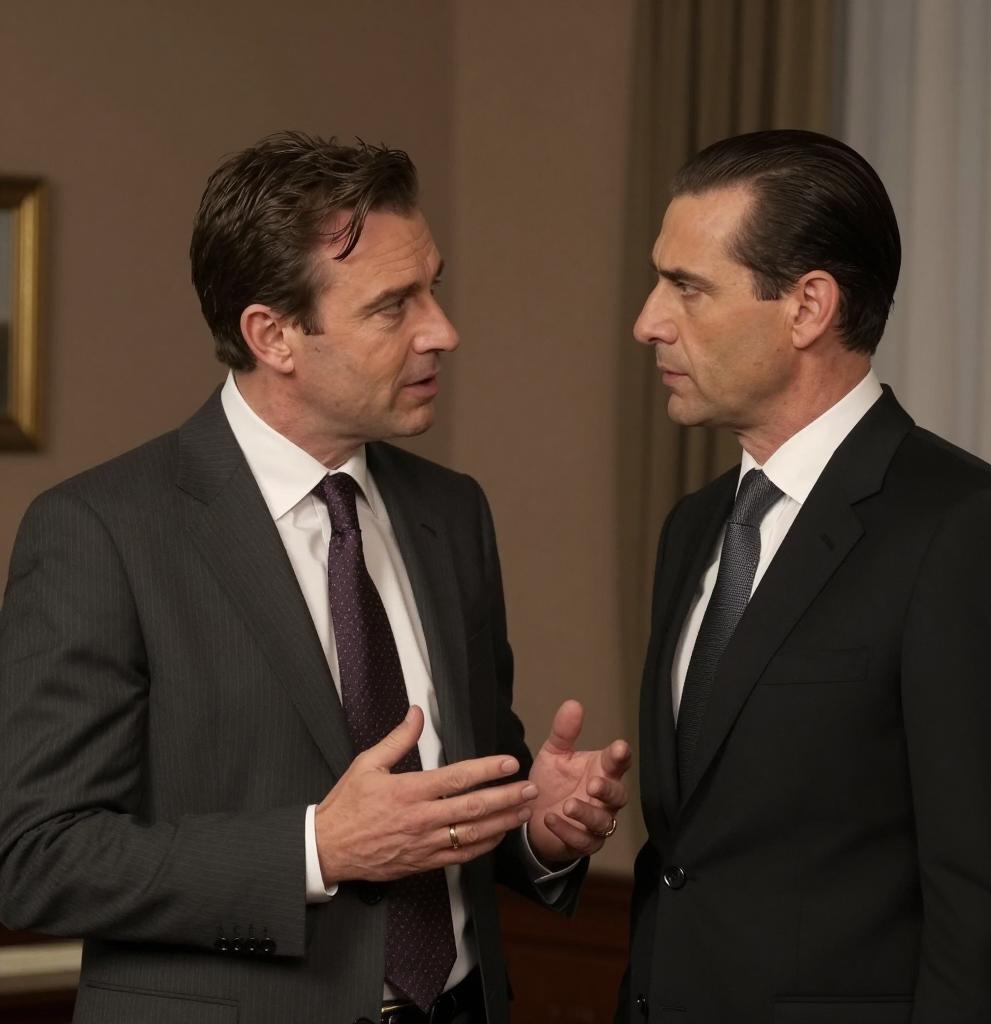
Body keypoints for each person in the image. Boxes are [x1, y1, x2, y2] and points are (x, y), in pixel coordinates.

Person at [0, 131, 630, 1024]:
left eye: (434, 288)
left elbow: (443, 803)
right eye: (393, 306)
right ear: (273, 336)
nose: (443, 331)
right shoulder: (101, 532)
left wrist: (538, 828)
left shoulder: (452, 513)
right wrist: (315, 849)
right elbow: (36, 858)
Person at [618, 129, 991, 1024]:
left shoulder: (965, 528)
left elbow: (986, 905)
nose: (648, 321)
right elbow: (692, 857)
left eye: (687, 287)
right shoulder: (693, 528)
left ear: (807, 308)